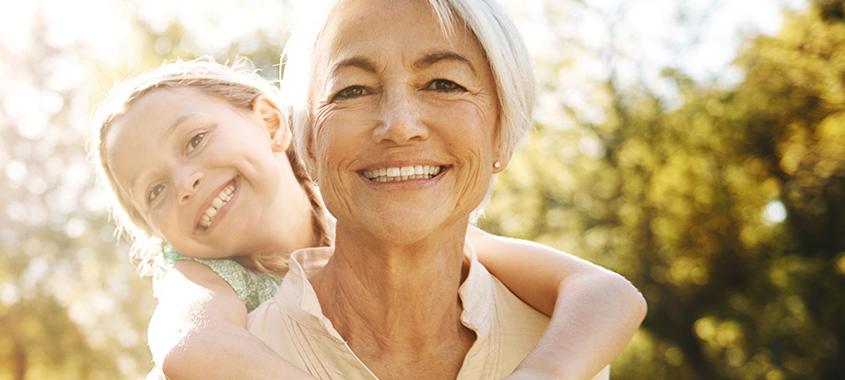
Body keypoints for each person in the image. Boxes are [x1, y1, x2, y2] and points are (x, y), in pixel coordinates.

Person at [89, 59, 642, 379]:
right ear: (154, 231)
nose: (184, 182)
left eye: (194, 139)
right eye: (155, 190)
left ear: (270, 122)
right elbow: (190, 345)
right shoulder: (202, 278)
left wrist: (542, 374)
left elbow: (605, 293)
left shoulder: (377, 223)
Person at [245, 0, 631, 378]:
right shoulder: (226, 353)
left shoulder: (564, 345)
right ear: (308, 145)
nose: (399, 125)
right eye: (353, 90)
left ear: (503, 133)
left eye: (443, 84)